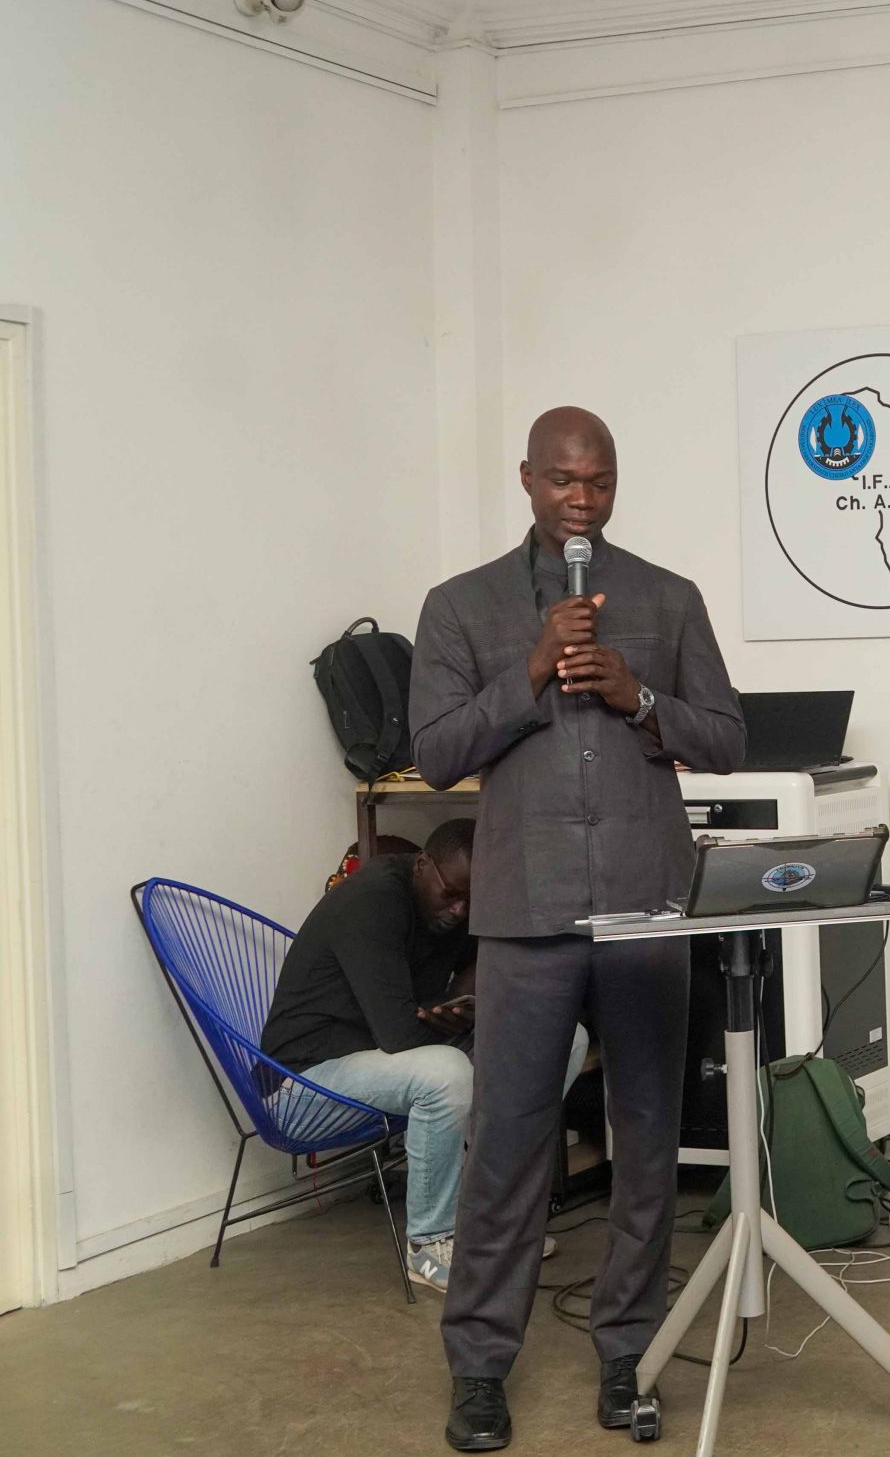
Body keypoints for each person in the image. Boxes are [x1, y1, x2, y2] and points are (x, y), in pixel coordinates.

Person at [411, 406, 745, 1452]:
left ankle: (629, 1352)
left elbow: (727, 738)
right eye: (563, 480)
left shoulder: (668, 597)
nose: (582, 499)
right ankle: (479, 1367)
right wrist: (531, 669)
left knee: (646, 1139)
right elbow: (435, 755)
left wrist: (641, 698)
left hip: (646, 904)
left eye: (599, 481)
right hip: (526, 910)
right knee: (509, 1143)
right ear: (526, 479)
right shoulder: (460, 606)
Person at [259, 819, 587, 1293]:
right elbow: (400, 1035)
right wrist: (452, 1015)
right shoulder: (371, 901)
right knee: (445, 1072)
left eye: (472, 901)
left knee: (560, 1038)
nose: (459, 910)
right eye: (451, 895)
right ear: (421, 865)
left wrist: (466, 993)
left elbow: (469, 983)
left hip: (388, 1060)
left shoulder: (457, 900)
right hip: (301, 1085)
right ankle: (430, 1244)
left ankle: (494, 1222)